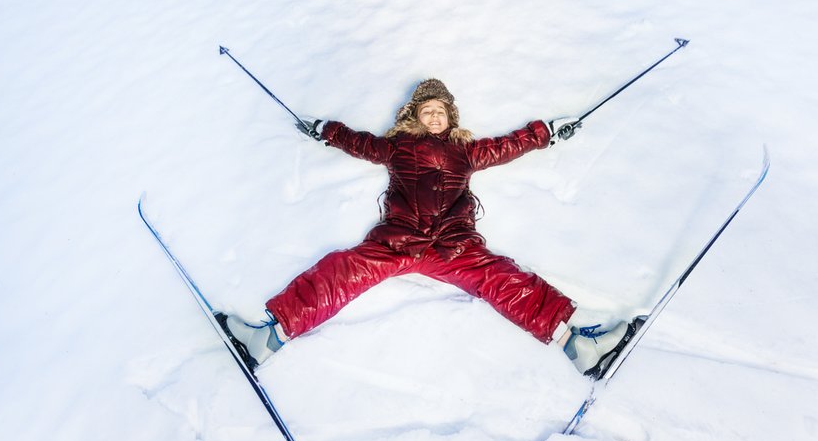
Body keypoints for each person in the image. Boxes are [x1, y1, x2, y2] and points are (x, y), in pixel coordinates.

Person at [222, 79, 636, 376]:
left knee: (505, 279)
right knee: (340, 270)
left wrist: (545, 133)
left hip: (455, 247)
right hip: (399, 241)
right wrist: (326, 131)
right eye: (427, 111)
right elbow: (357, 141)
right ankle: (269, 338)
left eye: (440, 111)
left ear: (450, 117)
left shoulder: (466, 150)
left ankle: (578, 346)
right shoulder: (396, 146)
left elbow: (510, 145)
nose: (434, 116)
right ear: (415, 117)